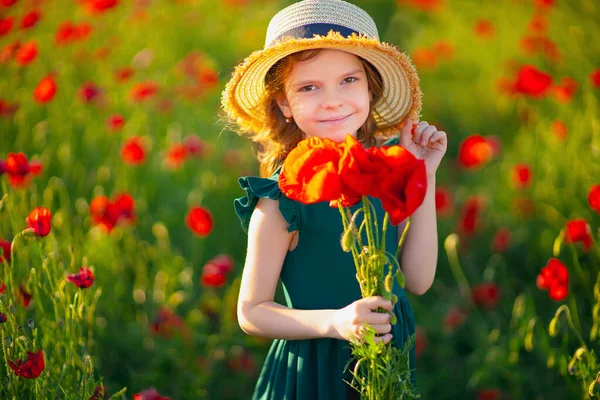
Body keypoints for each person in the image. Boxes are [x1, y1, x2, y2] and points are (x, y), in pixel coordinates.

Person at [221, 0, 447, 398]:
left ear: (370, 88)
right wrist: (335, 323)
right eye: (309, 87)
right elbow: (251, 312)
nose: (332, 100)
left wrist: (423, 174)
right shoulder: (280, 200)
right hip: (314, 371)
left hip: (387, 363)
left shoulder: (385, 172)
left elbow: (419, 279)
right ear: (284, 104)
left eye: (348, 80)